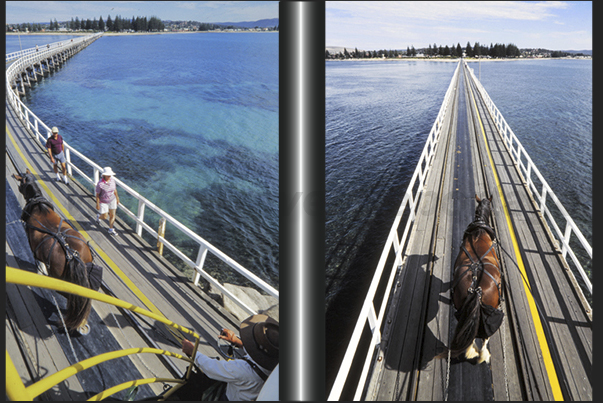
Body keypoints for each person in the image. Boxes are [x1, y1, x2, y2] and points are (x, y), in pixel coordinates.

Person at [181, 314, 279, 401]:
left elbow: (211, 368)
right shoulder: (275, 368)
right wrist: (237, 341)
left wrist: (193, 352)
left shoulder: (242, 369)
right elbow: (261, 356)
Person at [95, 167, 120, 236]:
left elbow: (114, 190)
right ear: (104, 175)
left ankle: (111, 229)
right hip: (103, 201)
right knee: (105, 217)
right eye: (108, 175)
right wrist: (97, 204)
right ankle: (99, 216)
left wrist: (117, 198)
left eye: (110, 175)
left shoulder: (112, 180)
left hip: (112, 200)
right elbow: (97, 195)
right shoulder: (100, 184)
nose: (109, 176)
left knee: (112, 215)